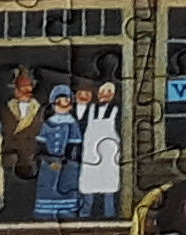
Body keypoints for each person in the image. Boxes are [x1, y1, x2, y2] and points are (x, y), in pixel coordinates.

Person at [32, 84, 84, 219]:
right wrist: (46, 157)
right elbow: (41, 143)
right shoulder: (48, 123)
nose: (63, 105)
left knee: (67, 188)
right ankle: (45, 213)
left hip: (67, 166)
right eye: (60, 101)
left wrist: (69, 160)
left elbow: (75, 144)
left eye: (66, 101)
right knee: (47, 187)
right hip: (48, 165)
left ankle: (67, 211)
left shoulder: (72, 123)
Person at [77, 80, 123, 218]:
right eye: (102, 91)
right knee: (88, 189)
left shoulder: (117, 111)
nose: (105, 94)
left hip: (109, 159)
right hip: (90, 156)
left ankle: (110, 216)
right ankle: (84, 216)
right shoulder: (90, 109)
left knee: (109, 190)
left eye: (109, 92)